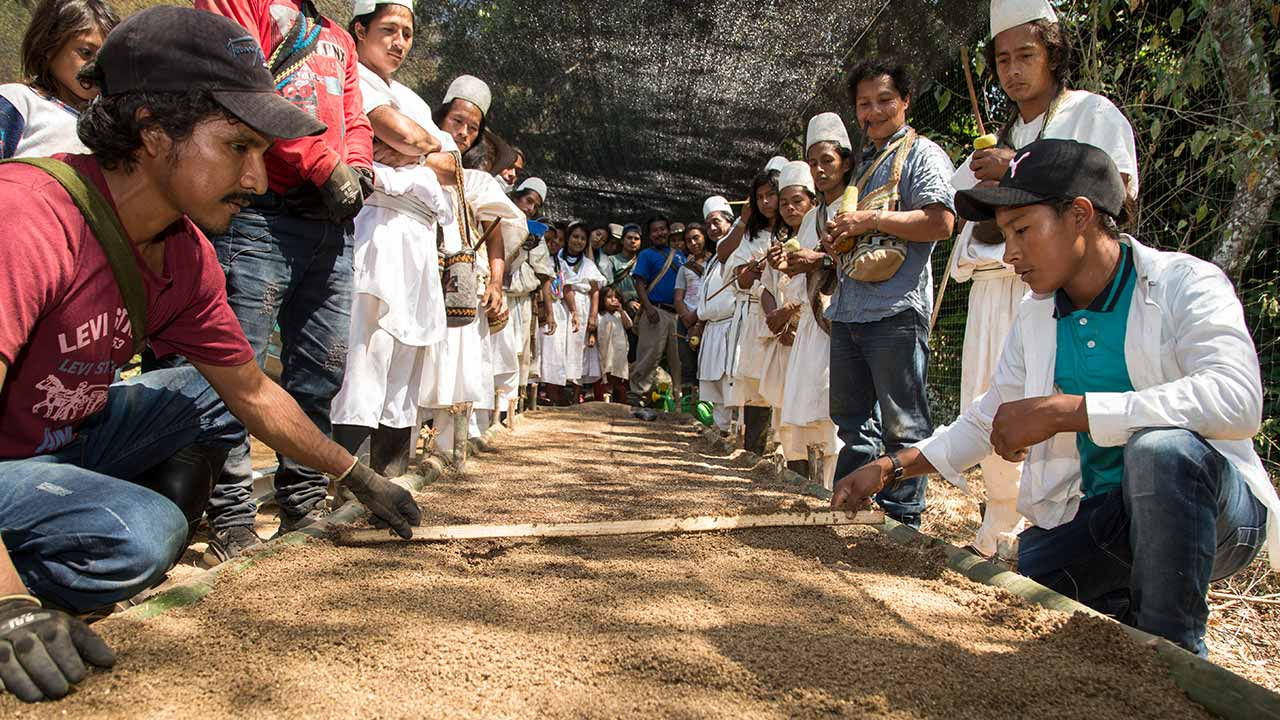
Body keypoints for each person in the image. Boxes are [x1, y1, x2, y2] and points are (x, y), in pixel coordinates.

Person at [0, 7, 421, 703]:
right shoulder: (27, 218)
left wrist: (354, 473)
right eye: (238, 148)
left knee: (209, 387)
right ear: (153, 134)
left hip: (56, 442)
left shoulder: (186, 253)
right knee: (140, 536)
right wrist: (10, 605)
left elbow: (251, 391)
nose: (258, 180)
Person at [833, 139, 1279, 656]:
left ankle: (1175, 658)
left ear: (1080, 216)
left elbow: (1237, 398)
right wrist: (888, 468)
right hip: (1111, 518)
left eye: (1022, 230)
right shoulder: (1036, 313)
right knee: (1042, 570)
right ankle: (1129, 606)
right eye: (1004, 236)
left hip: (1221, 514)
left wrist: (1069, 412)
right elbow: (987, 420)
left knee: (1162, 453)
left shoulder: (1185, 283)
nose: (1011, 253)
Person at [947, 0, 1142, 558]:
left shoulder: (1093, 113)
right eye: (1002, 59)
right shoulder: (995, 139)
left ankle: (1070, 536)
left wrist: (1018, 167)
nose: (1012, 70)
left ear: (1053, 53)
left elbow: (1117, 198)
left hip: (1065, 297)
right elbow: (966, 225)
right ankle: (999, 527)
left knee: (1054, 405)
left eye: (1025, 55)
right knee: (994, 404)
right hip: (996, 290)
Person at [193, 0, 375, 559]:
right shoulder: (233, 4)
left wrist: (359, 166)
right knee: (235, 364)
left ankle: (303, 499)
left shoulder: (335, 37)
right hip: (259, 213)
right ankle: (230, 514)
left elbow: (356, 114)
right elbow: (249, 94)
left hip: (330, 226)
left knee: (320, 369)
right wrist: (324, 164)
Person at [822, 60, 956, 527]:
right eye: (863, 103)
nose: (873, 111)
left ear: (904, 101)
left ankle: (903, 520)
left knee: (904, 424)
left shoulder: (923, 154)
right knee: (852, 421)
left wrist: (871, 220)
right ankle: (848, 507)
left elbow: (941, 222)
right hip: (850, 311)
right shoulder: (861, 165)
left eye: (883, 100)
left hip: (896, 311)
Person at [329, 0, 460, 477]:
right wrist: (421, 147)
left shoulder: (416, 100)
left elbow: (451, 164)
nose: (400, 42)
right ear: (360, 30)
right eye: (389, 29)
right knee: (369, 349)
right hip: (378, 225)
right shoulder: (350, 77)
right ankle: (351, 481)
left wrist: (414, 150)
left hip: (420, 235)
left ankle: (391, 476)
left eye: (407, 32)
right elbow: (402, 134)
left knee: (408, 352)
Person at [761, 160, 830, 481]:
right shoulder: (790, 237)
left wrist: (789, 313)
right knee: (795, 412)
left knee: (823, 411)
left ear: (813, 202)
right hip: (799, 335)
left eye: (797, 201)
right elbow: (776, 287)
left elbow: (822, 279)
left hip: (822, 328)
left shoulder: (824, 225)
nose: (789, 208)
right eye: (784, 202)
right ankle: (801, 481)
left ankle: (828, 483)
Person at [1, 0, 119, 159]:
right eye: (86, 53)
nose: (98, 67)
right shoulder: (18, 102)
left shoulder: (108, 130)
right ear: (48, 47)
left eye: (107, 59)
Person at [729, 170, 782, 454]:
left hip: (789, 315)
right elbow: (741, 280)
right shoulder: (752, 235)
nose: (765, 202)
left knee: (786, 386)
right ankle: (754, 453)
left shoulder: (797, 228)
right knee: (756, 386)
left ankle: (786, 454)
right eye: (759, 197)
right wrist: (752, 271)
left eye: (770, 195)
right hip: (756, 316)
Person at [505, 178, 555, 411]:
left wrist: (549, 311)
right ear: (516, 197)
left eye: (535, 206)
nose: (529, 208)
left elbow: (544, 274)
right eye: (528, 201)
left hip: (523, 301)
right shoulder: (499, 218)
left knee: (519, 354)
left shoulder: (537, 235)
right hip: (499, 295)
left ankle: (510, 407)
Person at [695, 196, 740, 431]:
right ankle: (721, 432)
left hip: (732, 326)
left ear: (730, 222)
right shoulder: (714, 257)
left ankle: (737, 436)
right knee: (717, 388)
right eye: (708, 224)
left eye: (717, 222)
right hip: (713, 327)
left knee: (733, 385)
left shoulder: (738, 249)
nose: (712, 228)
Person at [629, 215, 685, 404]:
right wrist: (648, 307)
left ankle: (679, 399)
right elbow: (639, 283)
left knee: (678, 359)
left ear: (668, 231)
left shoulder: (679, 255)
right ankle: (638, 395)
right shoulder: (646, 255)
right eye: (655, 230)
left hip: (677, 314)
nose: (659, 233)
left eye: (662, 229)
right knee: (648, 355)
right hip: (655, 311)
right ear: (650, 235)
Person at [674, 222, 709, 398]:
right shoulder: (684, 268)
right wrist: (685, 317)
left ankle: (707, 409)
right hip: (685, 321)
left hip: (707, 319)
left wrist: (696, 317)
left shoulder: (716, 261)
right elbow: (678, 296)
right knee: (688, 365)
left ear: (705, 237)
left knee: (707, 363)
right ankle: (688, 408)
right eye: (688, 241)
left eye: (696, 238)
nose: (693, 243)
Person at [595, 285, 633, 401]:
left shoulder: (619, 315)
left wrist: (621, 310)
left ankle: (619, 400)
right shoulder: (600, 316)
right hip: (605, 351)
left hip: (618, 354)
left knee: (618, 376)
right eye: (609, 297)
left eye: (616, 297)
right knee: (605, 375)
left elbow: (629, 325)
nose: (613, 300)